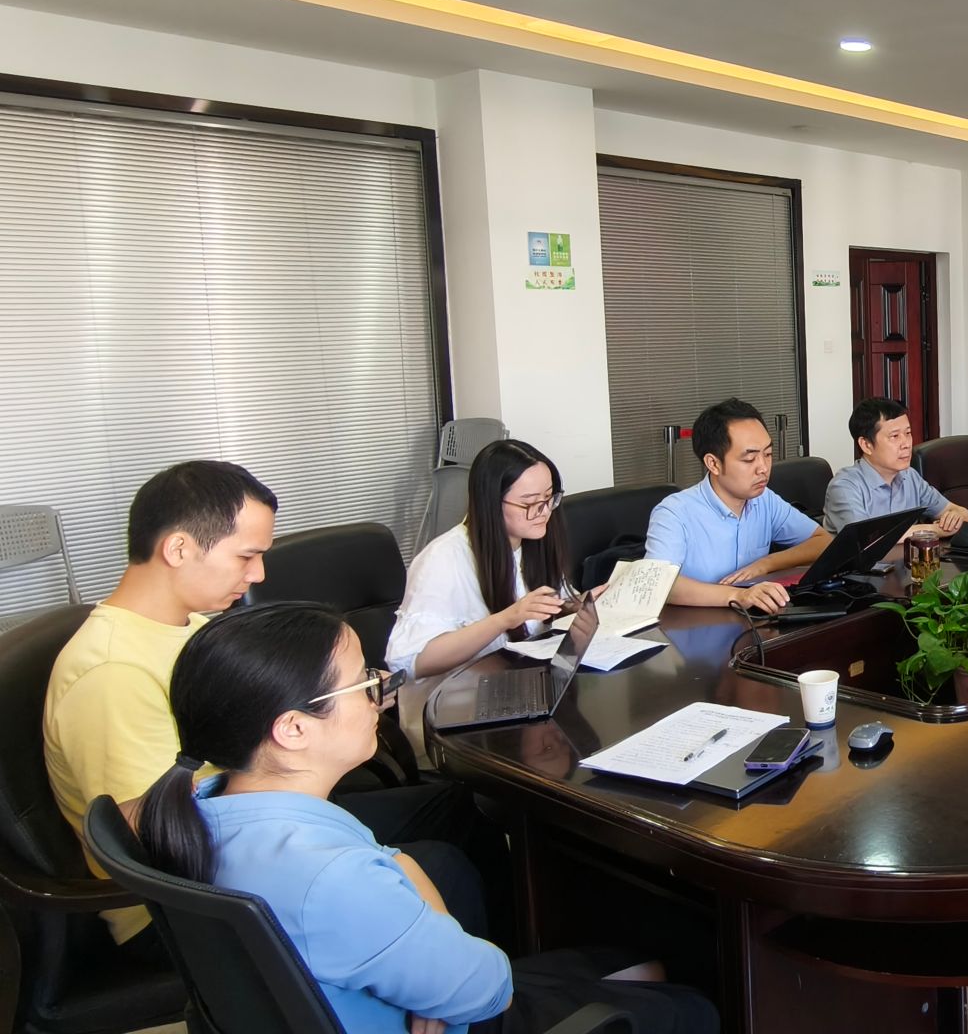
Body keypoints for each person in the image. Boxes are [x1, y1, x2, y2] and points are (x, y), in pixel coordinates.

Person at [130, 602, 719, 1034]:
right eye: (363, 684)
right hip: (456, 1010)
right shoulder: (333, 879)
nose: (380, 693)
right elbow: (486, 989)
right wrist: (416, 898)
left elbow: (391, 889)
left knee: (640, 965)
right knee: (691, 1008)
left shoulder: (208, 805)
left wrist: (405, 884)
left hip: (374, 996)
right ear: (293, 729)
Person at [43, 460, 500, 949]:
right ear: (178, 548)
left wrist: (345, 699)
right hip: (191, 899)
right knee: (439, 868)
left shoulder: (189, 625)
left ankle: (515, 956)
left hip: (261, 823)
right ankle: (473, 979)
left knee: (457, 805)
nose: (258, 573)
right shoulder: (111, 670)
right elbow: (141, 829)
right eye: (247, 556)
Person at [389, 439, 580, 679]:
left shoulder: (534, 539)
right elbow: (412, 664)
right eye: (529, 503)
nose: (544, 512)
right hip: (463, 691)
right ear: (490, 503)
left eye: (549, 497)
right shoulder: (443, 559)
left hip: (522, 678)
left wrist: (584, 604)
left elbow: (549, 611)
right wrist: (504, 619)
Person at [646, 398, 831, 613]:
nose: (763, 468)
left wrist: (767, 563)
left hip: (754, 620)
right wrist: (737, 595)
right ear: (713, 463)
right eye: (749, 459)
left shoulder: (764, 499)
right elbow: (659, 584)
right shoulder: (674, 513)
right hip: (695, 625)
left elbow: (823, 541)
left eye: (768, 454)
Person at [822, 397, 968, 536]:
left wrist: (957, 516)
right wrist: (935, 530)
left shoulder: (909, 476)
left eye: (908, 433)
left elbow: (959, 512)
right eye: (894, 436)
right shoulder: (844, 486)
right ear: (866, 445)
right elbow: (867, 538)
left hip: (904, 557)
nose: (906, 444)